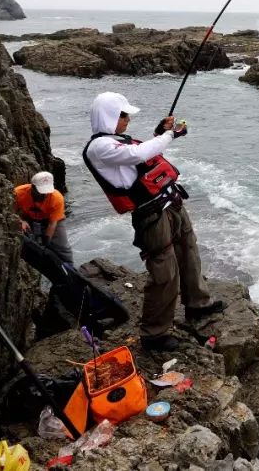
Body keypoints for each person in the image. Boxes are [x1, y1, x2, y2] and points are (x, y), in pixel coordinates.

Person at [82, 91, 222, 352]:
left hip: (171, 203)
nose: (127, 120)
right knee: (164, 271)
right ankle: (154, 333)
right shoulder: (99, 147)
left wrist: (160, 133)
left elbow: (140, 154)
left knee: (189, 252)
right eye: (123, 115)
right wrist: (170, 135)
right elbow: (137, 155)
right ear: (110, 117)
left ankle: (198, 304)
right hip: (151, 215)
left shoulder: (117, 141)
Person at [13, 171, 73, 264]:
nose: (44, 195)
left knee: (62, 246)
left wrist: (46, 242)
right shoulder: (18, 193)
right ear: (32, 187)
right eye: (41, 191)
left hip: (52, 219)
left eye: (47, 191)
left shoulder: (57, 198)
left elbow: (52, 224)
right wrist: (20, 221)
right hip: (28, 217)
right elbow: (10, 211)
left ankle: (69, 266)